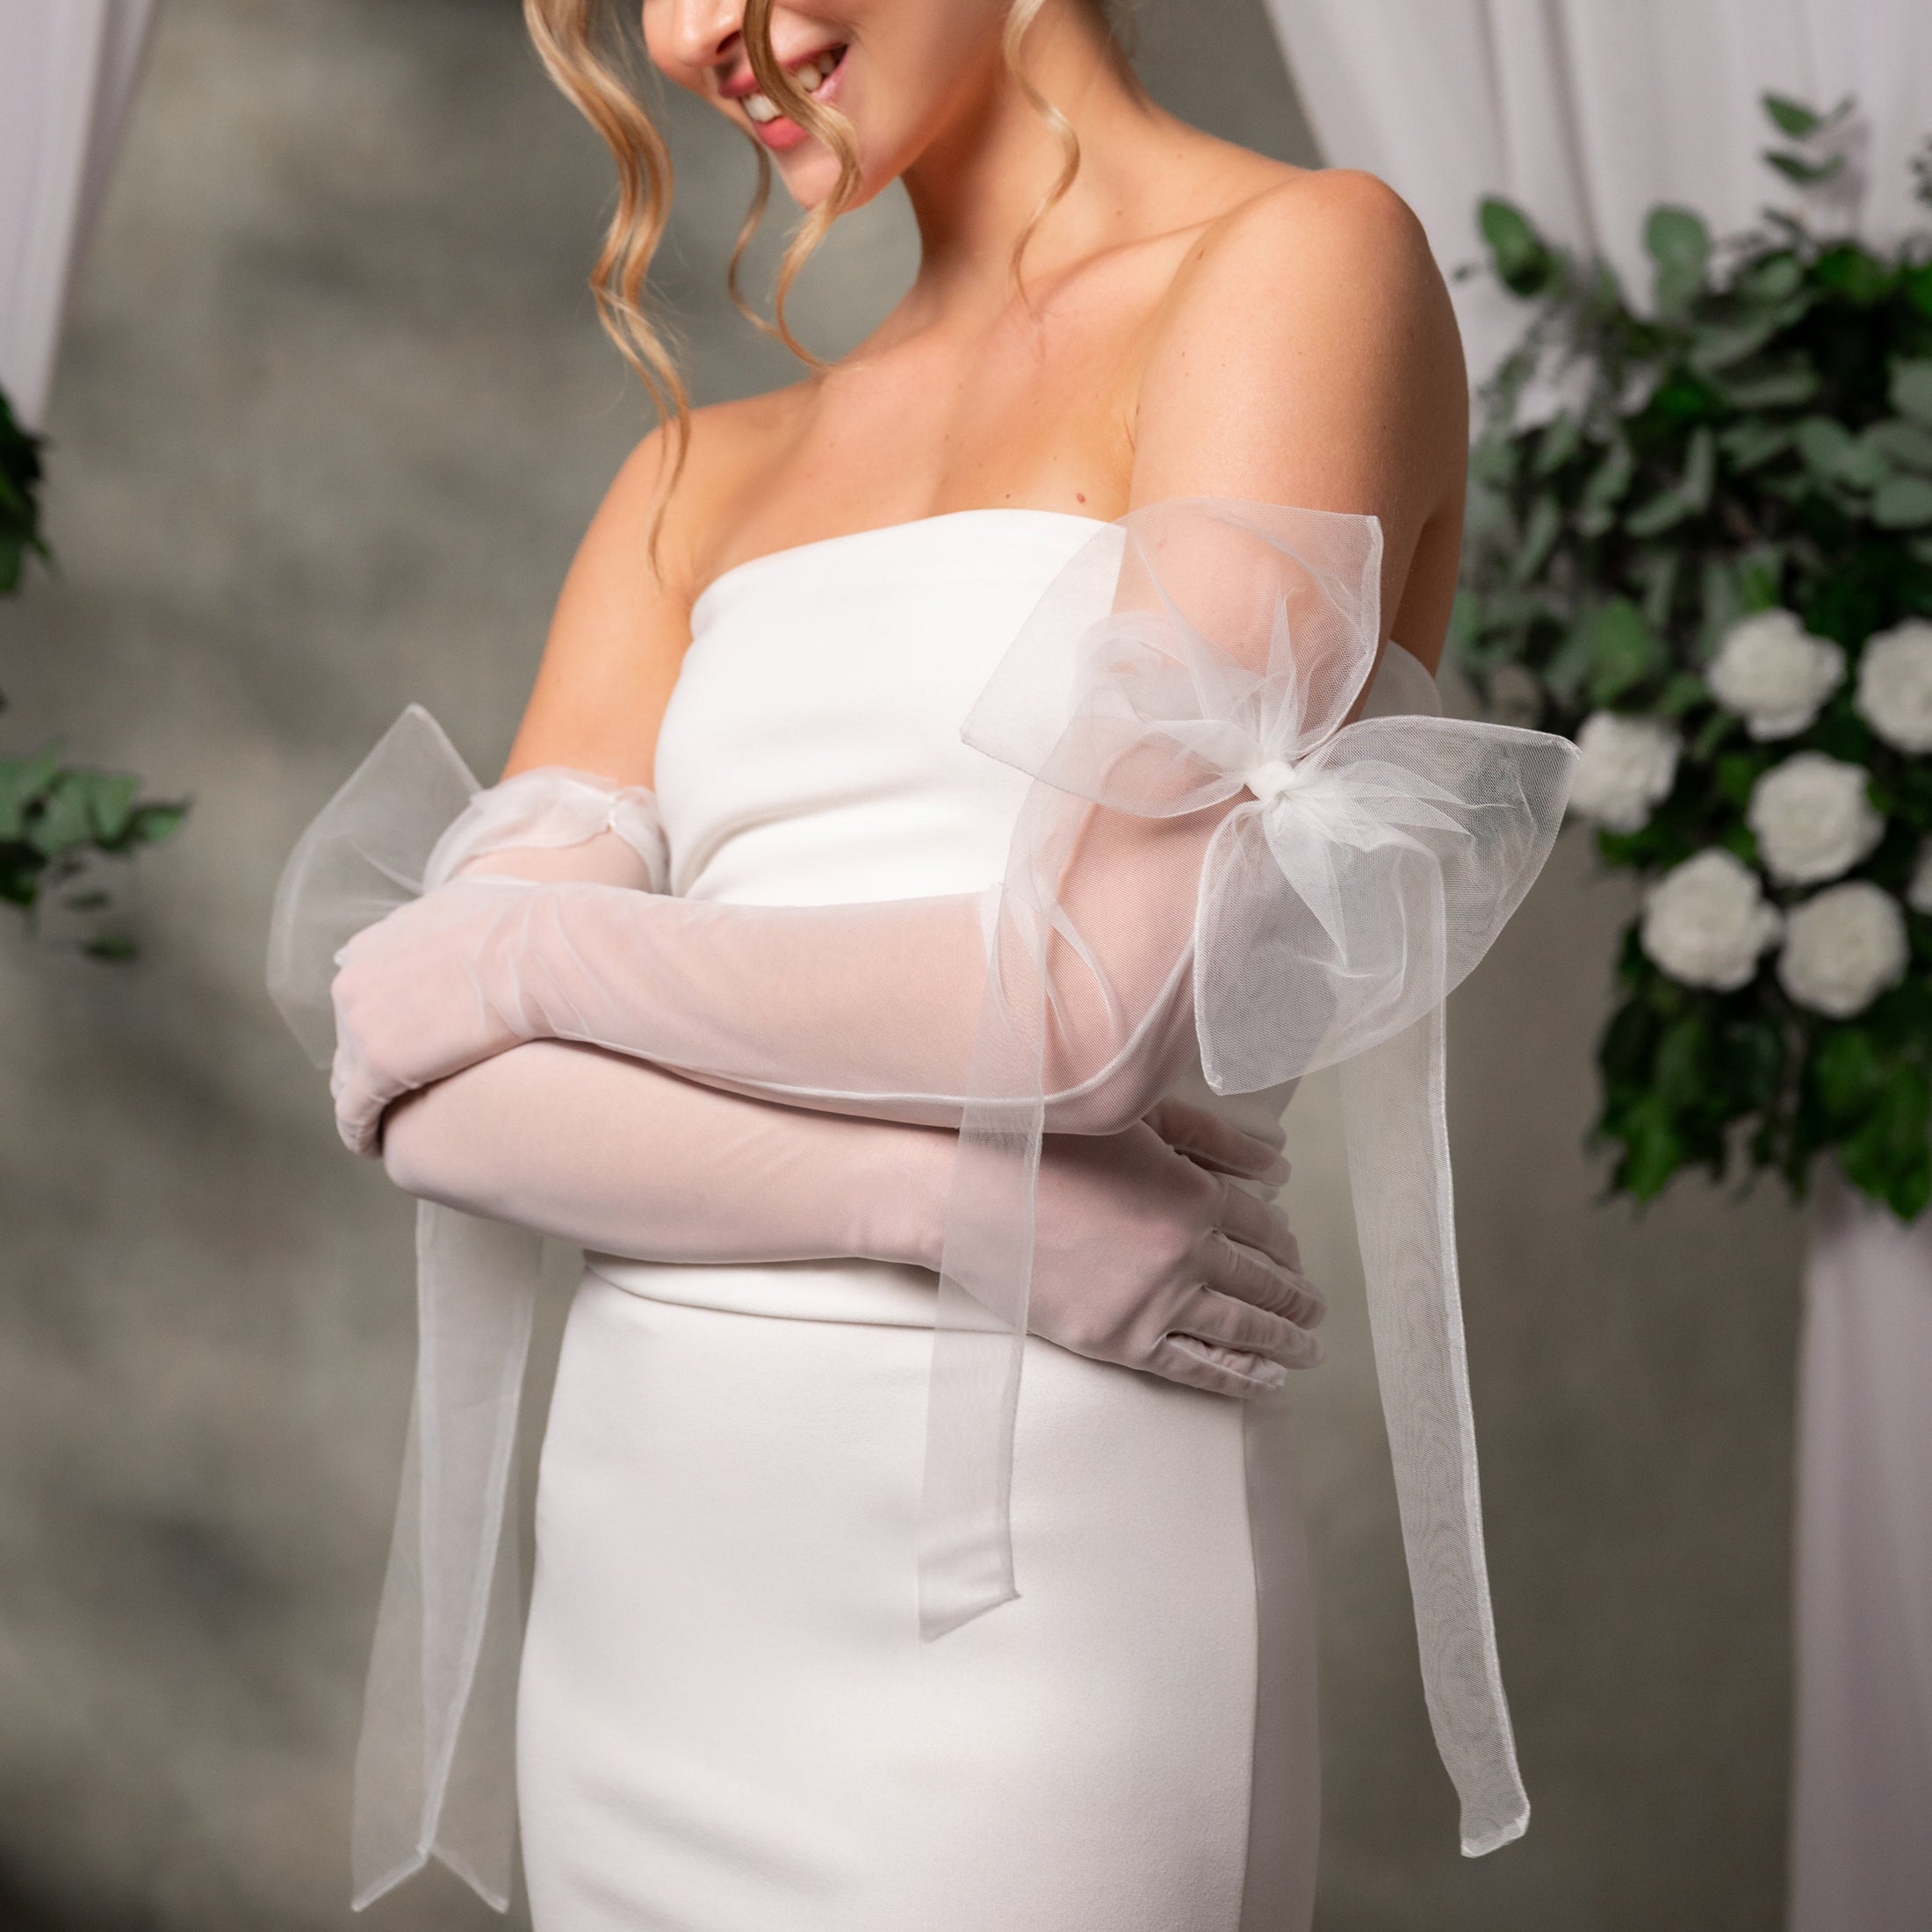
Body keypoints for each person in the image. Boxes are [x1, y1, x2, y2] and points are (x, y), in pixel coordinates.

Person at [280, 1, 1572, 1924]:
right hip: (648, 1595)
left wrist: (522, 954)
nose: (691, 31)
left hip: (1028, 1582)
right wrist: (952, 1209)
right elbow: (434, 1101)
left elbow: (1078, 1015)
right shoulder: (693, 475)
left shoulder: (1302, 268)